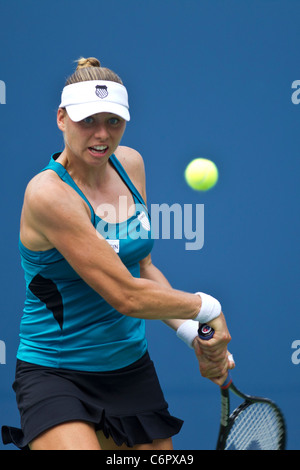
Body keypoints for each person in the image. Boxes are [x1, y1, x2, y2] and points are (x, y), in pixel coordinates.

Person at [1, 57, 234, 451]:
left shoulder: (130, 164)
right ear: (61, 118)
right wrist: (206, 308)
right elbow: (125, 294)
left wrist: (192, 334)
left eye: (113, 121)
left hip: (129, 369)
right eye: (87, 120)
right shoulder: (48, 195)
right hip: (58, 373)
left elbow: (142, 268)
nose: (102, 134)